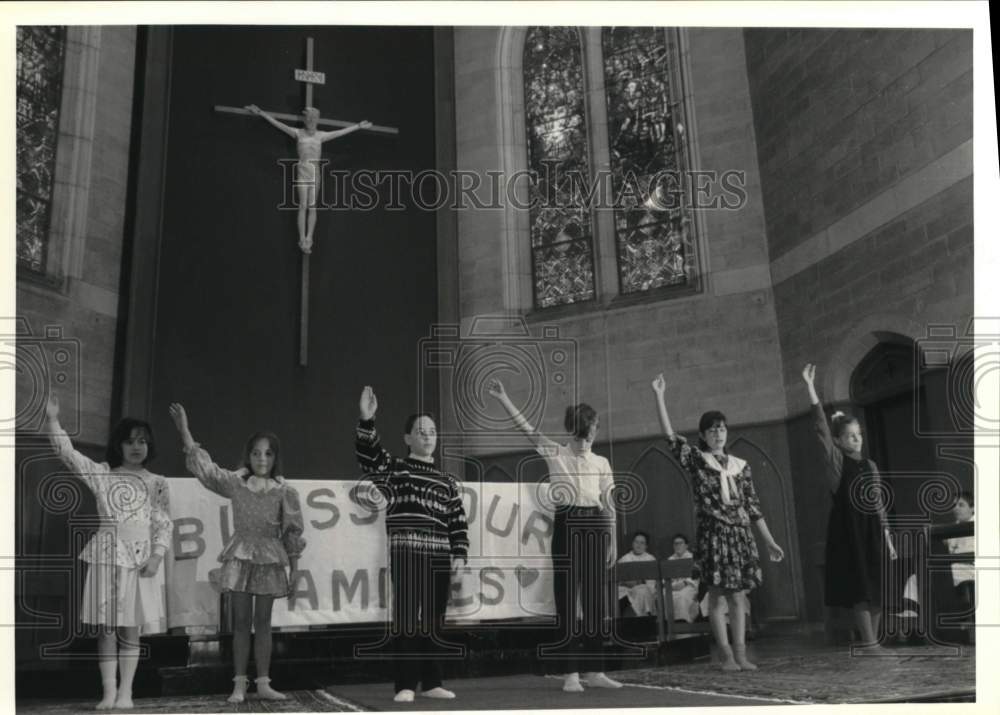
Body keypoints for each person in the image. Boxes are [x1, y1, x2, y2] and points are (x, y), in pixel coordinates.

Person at [488, 378, 623, 693]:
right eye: (581, 436)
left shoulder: (602, 462)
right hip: (568, 521)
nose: (586, 442)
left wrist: (613, 539)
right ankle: (571, 674)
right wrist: (505, 397)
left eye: (591, 435)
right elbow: (527, 429)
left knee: (593, 601)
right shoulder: (556, 452)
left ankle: (595, 670)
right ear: (572, 433)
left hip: (595, 525)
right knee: (566, 599)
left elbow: (609, 503)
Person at [169, 403, 305, 703]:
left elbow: (292, 533)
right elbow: (206, 471)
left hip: (270, 558)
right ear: (249, 455)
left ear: (275, 457)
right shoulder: (236, 483)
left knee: (264, 622)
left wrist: (295, 570)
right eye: (256, 452)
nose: (262, 458)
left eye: (268, 453)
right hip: (241, 555)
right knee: (241, 622)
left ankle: (264, 682)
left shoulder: (284, 491)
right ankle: (240, 683)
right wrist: (185, 431)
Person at [45, 394, 171, 710]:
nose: (136, 447)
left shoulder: (157, 482)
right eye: (129, 441)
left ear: (149, 446)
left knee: (131, 627)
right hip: (106, 556)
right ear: (119, 445)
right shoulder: (102, 474)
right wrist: (52, 420)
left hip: (141, 560)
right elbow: (68, 454)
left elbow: (163, 523)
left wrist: (156, 556)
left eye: (142, 441)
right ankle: (109, 692)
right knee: (107, 627)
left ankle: (127, 692)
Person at [651, 373, 784, 671]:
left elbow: (753, 507)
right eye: (712, 431)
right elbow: (671, 440)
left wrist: (769, 539)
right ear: (703, 436)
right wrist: (659, 396)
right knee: (717, 597)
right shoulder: (698, 460)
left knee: (739, 597)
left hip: (739, 536)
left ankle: (741, 653)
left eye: (721, 429)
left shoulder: (741, 466)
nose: (718, 434)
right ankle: (724, 654)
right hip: (713, 535)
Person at [355, 386, 468, 703]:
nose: (428, 436)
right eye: (421, 431)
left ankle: (432, 682)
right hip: (407, 555)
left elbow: (458, 521)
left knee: (434, 620)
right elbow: (370, 457)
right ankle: (405, 683)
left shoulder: (447, 481)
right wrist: (367, 419)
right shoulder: (396, 469)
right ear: (407, 439)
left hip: (439, 558)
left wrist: (460, 553)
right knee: (406, 618)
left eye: (432, 432)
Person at [801, 364, 897, 651]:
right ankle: (870, 643)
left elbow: (878, 503)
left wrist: (888, 538)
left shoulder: (871, 465)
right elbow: (820, 428)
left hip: (873, 531)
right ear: (840, 441)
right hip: (849, 531)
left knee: (878, 588)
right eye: (851, 436)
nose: (858, 439)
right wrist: (810, 388)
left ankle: (874, 642)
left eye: (859, 434)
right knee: (861, 589)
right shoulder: (837, 462)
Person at [245, 104, 371, 253]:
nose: (311, 120)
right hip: (303, 171)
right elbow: (278, 124)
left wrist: (357, 126)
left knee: (312, 206)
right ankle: (301, 238)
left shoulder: (321, 135)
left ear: (317, 120)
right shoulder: (298, 133)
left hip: (315, 172)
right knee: (302, 205)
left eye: (314, 118)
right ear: (305, 120)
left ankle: (309, 238)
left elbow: (340, 132)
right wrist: (261, 112)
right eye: (309, 118)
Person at [617, 531, 658, 616]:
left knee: (642, 591)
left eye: (642, 543)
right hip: (627, 590)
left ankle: (644, 619)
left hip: (643, 589)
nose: (638, 545)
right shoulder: (625, 559)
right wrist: (626, 583)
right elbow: (618, 578)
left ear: (646, 546)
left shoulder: (650, 559)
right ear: (632, 543)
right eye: (636, 542)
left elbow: (651, 583)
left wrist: (638, 582)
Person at [948, 491, 975, 616]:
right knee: (917, 577)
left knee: (940, 574)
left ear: (972, 508)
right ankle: (910, 615)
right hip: (956, 567)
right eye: (954, 505)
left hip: (973, 569)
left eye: (961, 505)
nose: (956, 508)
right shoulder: (953, 528)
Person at [668, 533, 701, 623]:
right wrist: (671, 585)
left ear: (686, 545)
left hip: (688, 586)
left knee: (682, 596)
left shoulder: (692, 558)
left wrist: (685, 583)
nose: (678, 546)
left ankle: (684, 623)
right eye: (675, 544)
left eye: (680, 543)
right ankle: (670, 626)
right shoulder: (670, 560)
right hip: (673, 587)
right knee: (665, 596)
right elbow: (666, 577)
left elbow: (696, 577)